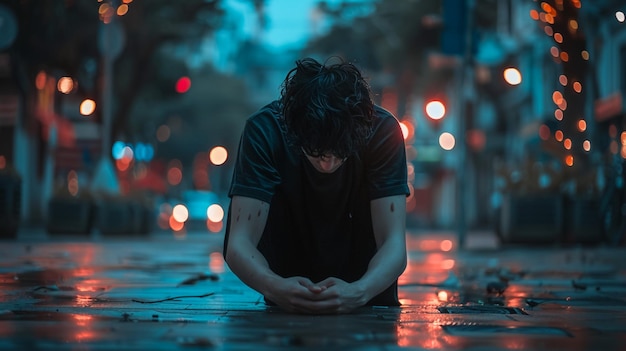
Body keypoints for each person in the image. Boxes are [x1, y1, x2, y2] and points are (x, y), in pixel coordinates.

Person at [223, 57, 409, 314]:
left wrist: (359, 291)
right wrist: (276, 287)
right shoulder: (265, 130)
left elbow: (394, 243)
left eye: (339, 153)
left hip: (369, 298)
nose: (327, 164)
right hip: (286, 295)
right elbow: (239, 243)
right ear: (294, 131)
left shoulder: (383, 131)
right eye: (317, 153)